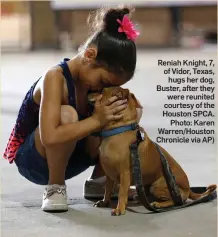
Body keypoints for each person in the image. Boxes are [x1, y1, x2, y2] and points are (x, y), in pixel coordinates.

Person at [3, 6, 142, 212]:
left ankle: (100, 181)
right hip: (35, 160)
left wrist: (130, 115)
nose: (104, 88)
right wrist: (97, 121)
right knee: (67, 114)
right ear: (89, 55)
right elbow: (50, 137)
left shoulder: (92, 86)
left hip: (73, 156)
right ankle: (55, 187)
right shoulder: (55, 77)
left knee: (119, 115)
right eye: (104, 81)